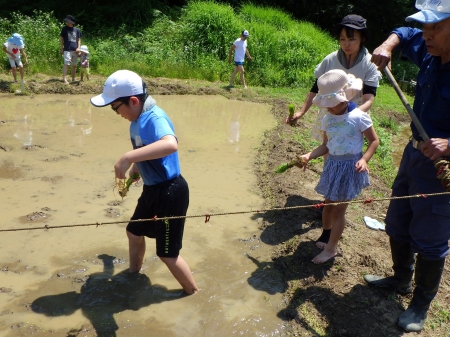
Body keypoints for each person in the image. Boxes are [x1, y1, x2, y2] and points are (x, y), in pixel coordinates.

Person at [363, 0, 450, 332]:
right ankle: (401, 280)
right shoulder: (429, 50)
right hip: (413, 156)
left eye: (436, 28)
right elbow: (405, 32)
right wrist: (387, 44)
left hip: (442, 170)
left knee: (430, 239)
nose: (427, 35)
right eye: (426, 27)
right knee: (397, 223)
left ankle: (419, 306)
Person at [90, 70, 199, 295]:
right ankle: (133, 275)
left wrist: (127, 158)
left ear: (133, 101)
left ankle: (193, 293)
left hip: (171, 192)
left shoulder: (154, 118)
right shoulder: (136, 121)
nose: (115, 112)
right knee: (134, 233)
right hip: (152, 190)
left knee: (167, 254)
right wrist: (136, 167)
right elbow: (144, 150)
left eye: (115, 107)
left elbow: (170, 144)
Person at [285, 14, 381, 249]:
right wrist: (302, 112)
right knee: (331, 159)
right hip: (332, 116)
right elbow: (313, 89)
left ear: (362, 39)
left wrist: (351, 113)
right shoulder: (330, 60)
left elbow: (368, 98)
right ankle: (330, 204)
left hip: (351, 115)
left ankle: (334, 218)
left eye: (352, 38)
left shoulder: (368, 63)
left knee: (343, 169)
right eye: (342, 39)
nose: (346, 43)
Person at [297, 69, 379, 264]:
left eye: (331, 105)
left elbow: (374, 141)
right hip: (332, 165)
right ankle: (326, 235)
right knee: (328, 204)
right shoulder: (328, 118)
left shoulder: (359, 117)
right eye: (326, 106)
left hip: (350, 168)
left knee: (339, 211)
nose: (328, 109)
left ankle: (331, 249)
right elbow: (326, 145)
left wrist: (364, 159)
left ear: (343, 100)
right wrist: (310, 155)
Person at [60, 15, 82, 84]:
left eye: (69, 22)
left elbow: (79, 40)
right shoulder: (64, 29)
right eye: (67, 22)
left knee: (74, 65)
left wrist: (78, 48)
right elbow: (61, 39)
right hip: (67, 49)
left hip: (75, 50)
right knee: (66, 64)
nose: (68, 23)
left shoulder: (77, 30)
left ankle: (73, 78)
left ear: (72, 22)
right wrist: (61, 48)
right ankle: (64, 79)